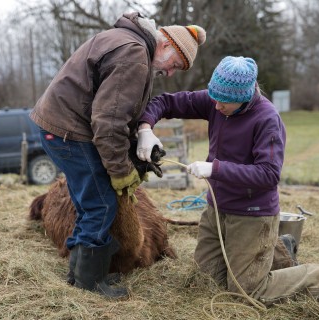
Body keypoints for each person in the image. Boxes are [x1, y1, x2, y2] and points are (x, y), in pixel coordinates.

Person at [136, 56, 319, 305]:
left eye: (224, 102)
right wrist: (145, 129)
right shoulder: (218, 98)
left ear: (245, 96)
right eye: (214, 98)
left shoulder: (266, 119)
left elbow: (269, 175)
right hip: (217, 209)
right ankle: (279, 250)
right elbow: (166, 102)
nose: (216, 107)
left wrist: (214, 169)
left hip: (252, 213)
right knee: (205, 280)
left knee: (247, 292)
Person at [30, 12, 206, 299]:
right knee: (101, 204)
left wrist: (142, 139)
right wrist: (121, 171)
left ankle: (78, 272)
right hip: (70, 133)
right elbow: (108, 122)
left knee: (87, 202)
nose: (171, 73)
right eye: (175, 64)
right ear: (166, 46)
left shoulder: (127, 41)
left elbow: (116, 112)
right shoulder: (135, 56)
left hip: (59, 126)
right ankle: (89, 282)